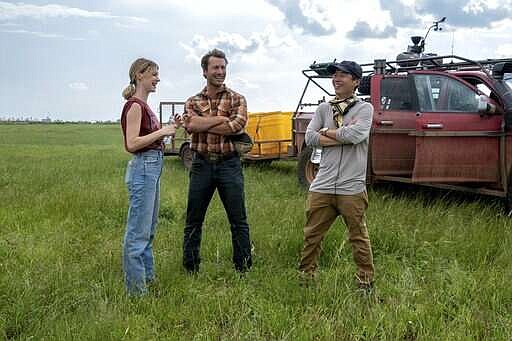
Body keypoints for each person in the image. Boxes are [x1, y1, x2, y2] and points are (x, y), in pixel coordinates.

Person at [298, 60, 375, 291]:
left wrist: (328, 132)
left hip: (351, 186)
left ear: (356, 81)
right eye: (335, 75)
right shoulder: (324, 108)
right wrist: (337, 136)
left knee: (358, 236)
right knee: (312, 235)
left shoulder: (364, 109)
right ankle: (305, 277)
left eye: (343, 75)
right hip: (322, 185)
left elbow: (356, 135)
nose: (337, 79)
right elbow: (309, 138)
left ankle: (365, 281)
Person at [181, 48, 252, 273]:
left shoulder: (237, 98)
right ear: (204, 71)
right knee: (194, 218)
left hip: (229, 164)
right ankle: (191, 267)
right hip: (201, 164)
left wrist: (204, 122)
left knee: (238, 219)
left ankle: (243, 267)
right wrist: (221, 118)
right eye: (215, 68)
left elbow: (236, 126)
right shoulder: (192, 100)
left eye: (223, 67)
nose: (220, 72)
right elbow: (190, 126)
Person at [120, 58, 176, 295]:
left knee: (148, 229)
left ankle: (148, 280)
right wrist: (162, 131)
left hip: (151, 167)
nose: (158, 79)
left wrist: (169, 129)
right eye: (154, 74)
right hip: (143, 168)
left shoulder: (145, 106)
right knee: (138, 233)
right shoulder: (134, 105)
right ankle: (136, 292)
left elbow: (151, 140)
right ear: (139, 75)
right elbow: (131, 144)